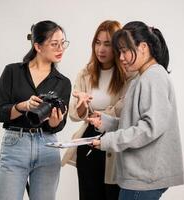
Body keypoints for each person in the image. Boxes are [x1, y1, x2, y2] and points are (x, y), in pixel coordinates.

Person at [87, 21, 184, 200]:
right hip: (141, 176)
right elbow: (137, 122)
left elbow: (149, 128)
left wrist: (108, 141)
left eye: (125, 51)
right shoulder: (142, 78)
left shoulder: (153, 77)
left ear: (143, 47)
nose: (121, 57)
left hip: (144, 177)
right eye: (119, 52)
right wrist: (107, 122)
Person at [0, 20, 72, 200]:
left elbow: (58, 125)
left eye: (63, 43)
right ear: (37, 46)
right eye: (54, 44)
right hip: (15, 145)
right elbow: (0, 112)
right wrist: (23, 106)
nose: (60, 48)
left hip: (47, 146)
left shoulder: (63, 82)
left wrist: (54, 123)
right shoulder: (12, 72)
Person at [61, 20, 125, 200]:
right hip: (89, 142)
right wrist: (82, 104)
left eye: (107, 44)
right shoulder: (86, 73)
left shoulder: (128, 76)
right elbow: (74, 114)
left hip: (114, 141)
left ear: (118, 46)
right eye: (97, 43)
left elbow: (124, 109)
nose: (101, 49)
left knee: (113, 194)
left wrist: (104, 115)